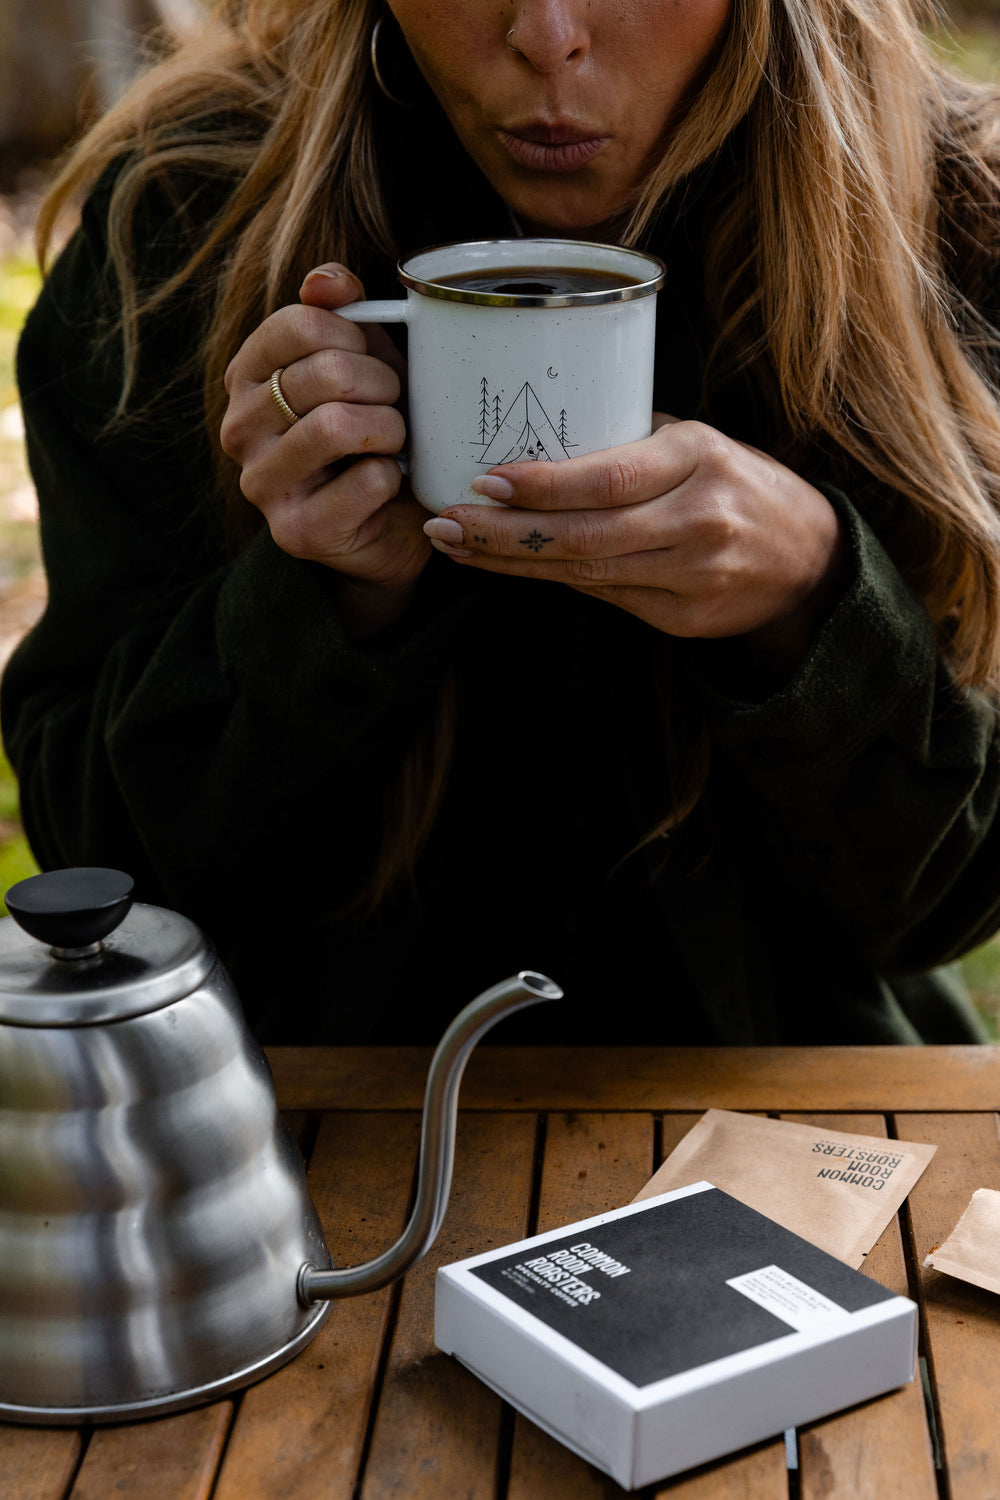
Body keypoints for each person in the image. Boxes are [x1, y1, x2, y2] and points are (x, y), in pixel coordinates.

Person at [4, 0, 1000, 1046]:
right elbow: (109, 883)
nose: (547, 36)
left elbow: (941, 907)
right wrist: (321, 600)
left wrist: (813, 600)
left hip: (794, 1124)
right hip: (310, 1123)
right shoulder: (187, 217)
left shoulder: (947, 210)